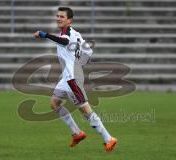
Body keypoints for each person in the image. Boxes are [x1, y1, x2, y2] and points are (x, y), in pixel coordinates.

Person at [34, 7, 117, 152]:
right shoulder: (76, 34)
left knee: (85, 110)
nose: (58, 18)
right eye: (57, 16)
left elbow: (64, 42)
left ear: (69, 20)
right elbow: (88, 51)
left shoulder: (66, 33)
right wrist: (78, 64)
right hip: (67, 77)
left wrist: (44, 34)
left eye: (62, 17)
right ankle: (77, 133)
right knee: (54, 103)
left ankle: (108, 139)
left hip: (72, 78)